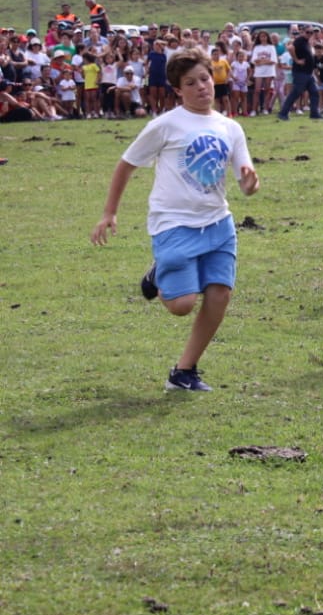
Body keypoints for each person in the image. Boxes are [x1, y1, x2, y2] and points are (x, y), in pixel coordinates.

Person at [90, 47, 260, 392]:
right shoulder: (165, 125)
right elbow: (126, 164)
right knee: (182, 305)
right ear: (177, 90)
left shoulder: (230, 127)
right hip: (173, 223)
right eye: (191, 82)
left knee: (219, 295)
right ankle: (158, 272)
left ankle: (184, 372)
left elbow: (245, 179)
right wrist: (110, 212)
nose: (202, 87)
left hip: (218, 223)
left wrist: (250, 183)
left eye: (205, 78)